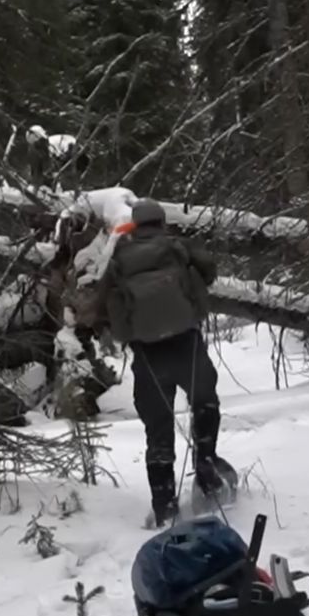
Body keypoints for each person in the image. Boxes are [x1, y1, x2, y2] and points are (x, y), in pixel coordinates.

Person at [99, 198, 236, 526]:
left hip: (147, 355)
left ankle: (164, 505)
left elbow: (107, 305)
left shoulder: (119, 258)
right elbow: (209, 272)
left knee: (158, 430)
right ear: (160, 222)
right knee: (204, 403)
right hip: (186, 342)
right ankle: (207, 468)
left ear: (134, 225)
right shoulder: (177, 248)